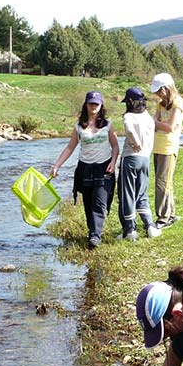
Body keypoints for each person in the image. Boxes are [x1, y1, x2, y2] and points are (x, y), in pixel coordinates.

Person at [51, 90, 119, 248]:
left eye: (96, 103)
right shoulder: (79, 126)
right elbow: (70, 148)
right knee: (88, 202)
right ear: (86, 105)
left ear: (101, 105)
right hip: (85, 168)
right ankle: (92, 231)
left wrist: (113, 162)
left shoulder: (108, 125)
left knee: (100, 202)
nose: (94, 106)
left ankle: (95, 236)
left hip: (104, 167)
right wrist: (57, 166)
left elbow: (115, 146)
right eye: (91, 103)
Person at [117, 87, 161, 241]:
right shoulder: (148, 117)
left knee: (127, 194)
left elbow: (129, 130)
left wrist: (135, 141)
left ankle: (130, 231)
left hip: (130, 158)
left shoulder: (129, 116)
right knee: (141, 192)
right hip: (145, 159)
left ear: (129, 102)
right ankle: (150, 226)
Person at [150, 73, 183, 229]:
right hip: (157, 146)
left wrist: (158, 123)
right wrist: (159, 123)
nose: (158, 94)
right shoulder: (160, 103)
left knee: (162, 183)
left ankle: (163, 218)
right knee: (164, 182)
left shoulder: (178, 104)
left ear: (167, 89)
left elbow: (170, 127)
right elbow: (154, 122)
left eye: (159, 91)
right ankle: (170, 214)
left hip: (169, 147)